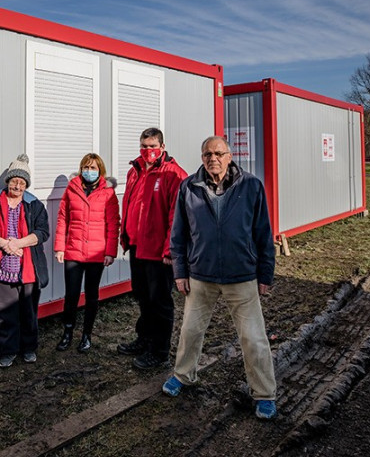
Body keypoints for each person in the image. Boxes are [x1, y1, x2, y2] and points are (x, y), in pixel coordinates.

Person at [161, 135, 278, 420]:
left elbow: (263, 233)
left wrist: (265, 273)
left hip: (242, 275)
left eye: (218, 153)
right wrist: (180, 272)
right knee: (190, 331)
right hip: (201, 274)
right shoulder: (189, 187)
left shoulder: (251, 186)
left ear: (230, 156)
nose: (213, 158)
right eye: (207, 154)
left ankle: (264, 394)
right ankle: (183, 375)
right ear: (202, 158)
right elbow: (178, 234)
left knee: (253, 337)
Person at [117, 127, 187, 369]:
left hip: (158, 252)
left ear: (162, 147)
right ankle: (144, 339)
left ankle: (159, 351)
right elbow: (129, 204)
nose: (148, 151)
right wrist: (125, 236)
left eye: (152, 146)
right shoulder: (134, 171)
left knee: (159, 300)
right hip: (137, 246)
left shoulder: (173, 174)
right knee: (143, 296)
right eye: (144, 146)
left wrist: (170, 250)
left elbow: (177, 216)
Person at [0, 154, 50, 368]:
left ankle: (29, 348)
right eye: (14, 181)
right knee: (6, 313)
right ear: (8, 181)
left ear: (26, 185)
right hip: (2, 268)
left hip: (28, 268)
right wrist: (4, 244)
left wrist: (18, 243)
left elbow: (42, 232)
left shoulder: (34, 205)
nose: (17, 186)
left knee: (29, 312)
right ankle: (8, 350)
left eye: (22, 182)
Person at [53, 153, 120, 353]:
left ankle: (86, 335)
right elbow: (63, 219)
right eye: (86, 167)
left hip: (96, 253)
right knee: (71, 295)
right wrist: (60, 247)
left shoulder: (108, 193)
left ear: (100, 171)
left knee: (92, 296)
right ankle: (67, 332)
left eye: (93, 168)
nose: (89, 171)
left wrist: (110, 252)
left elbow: (113, 224)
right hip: (73, 251)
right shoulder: (71, 189)